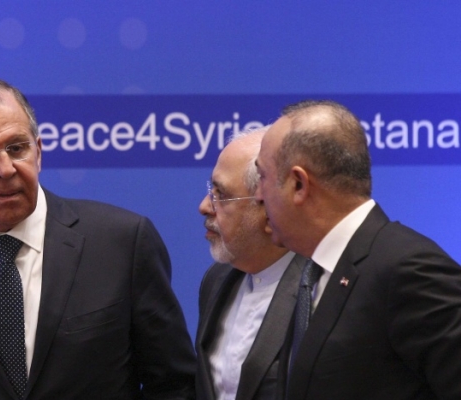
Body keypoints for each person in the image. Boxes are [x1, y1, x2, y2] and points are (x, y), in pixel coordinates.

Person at [0, 78, 196, 400]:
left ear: (38, 152)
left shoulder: (122, 243)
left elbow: (175, 385)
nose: (5, 169)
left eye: (17, 148)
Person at [254, 99, 461, 400]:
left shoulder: (408, 270)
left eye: (262, 177)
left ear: (299, 184)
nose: (257, 196)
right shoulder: (314, 273)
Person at [196, 126, 306, 400]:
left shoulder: (320, 289)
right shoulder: (216, 280)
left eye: (221, 195)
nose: (205, 206)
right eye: (210, 190)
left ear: (270, 210)